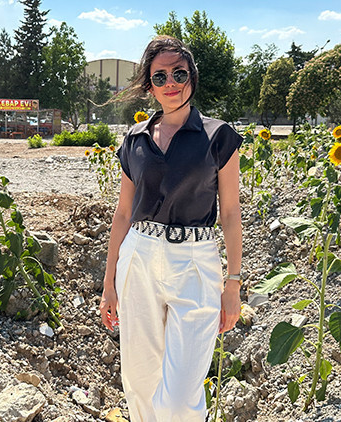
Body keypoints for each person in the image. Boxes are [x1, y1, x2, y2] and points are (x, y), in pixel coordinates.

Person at [99, 35, 243, 422]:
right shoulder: (135, 139)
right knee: (140, 382)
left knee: (180, 399)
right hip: (140, 258)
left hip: (196, 262)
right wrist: (109, 282)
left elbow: (230, 213)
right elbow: (123, 214)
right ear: (150, 86)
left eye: (179, 73)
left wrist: (233, 283)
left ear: (192, 76)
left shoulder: (218, 136)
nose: (171, 83)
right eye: (159, 76)